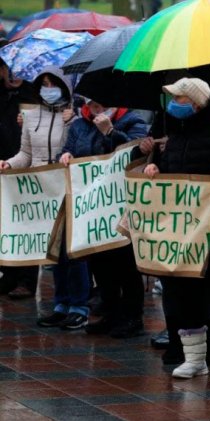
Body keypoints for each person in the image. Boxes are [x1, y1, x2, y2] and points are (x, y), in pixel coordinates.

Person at [140, 77, 210, 383]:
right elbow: (170, 171)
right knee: (185, 292)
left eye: (180, 99)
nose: (175, 105)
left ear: (197, 103)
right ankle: (195, 359)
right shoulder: (176, 134)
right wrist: (156, 169)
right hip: (183, 232)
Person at [0, 66, 92, 331]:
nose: (48, 89)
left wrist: (73, 121)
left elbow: (79, 150)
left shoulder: (74, 118)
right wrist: (9, 163)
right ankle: (61, 305)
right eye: (44, 84)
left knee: (73, 251)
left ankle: (79, 306)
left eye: (53, 84)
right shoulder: (30, 116)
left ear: (64, 87)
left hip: (69, 188)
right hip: (42, 192)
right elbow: (26, 154)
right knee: (54, 252)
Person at [57, 98, 148, 338]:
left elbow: (137, 152)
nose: (96, 109)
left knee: (125, 262)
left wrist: (111, 132)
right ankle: (110, 312)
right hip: (93, 206)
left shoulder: (133, 121)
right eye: (92, 105)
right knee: (100, 262)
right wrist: (65, 155)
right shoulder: (80, 124)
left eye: (100, 105)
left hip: (119, 203)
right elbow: (70, 149)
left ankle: (133, 317)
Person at [0, 57, 39, 299]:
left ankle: (27, 279)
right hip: (4, 164)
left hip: (25, 163)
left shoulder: (30, 90)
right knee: (6, 223)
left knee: (26, 221)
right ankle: (9, 273)